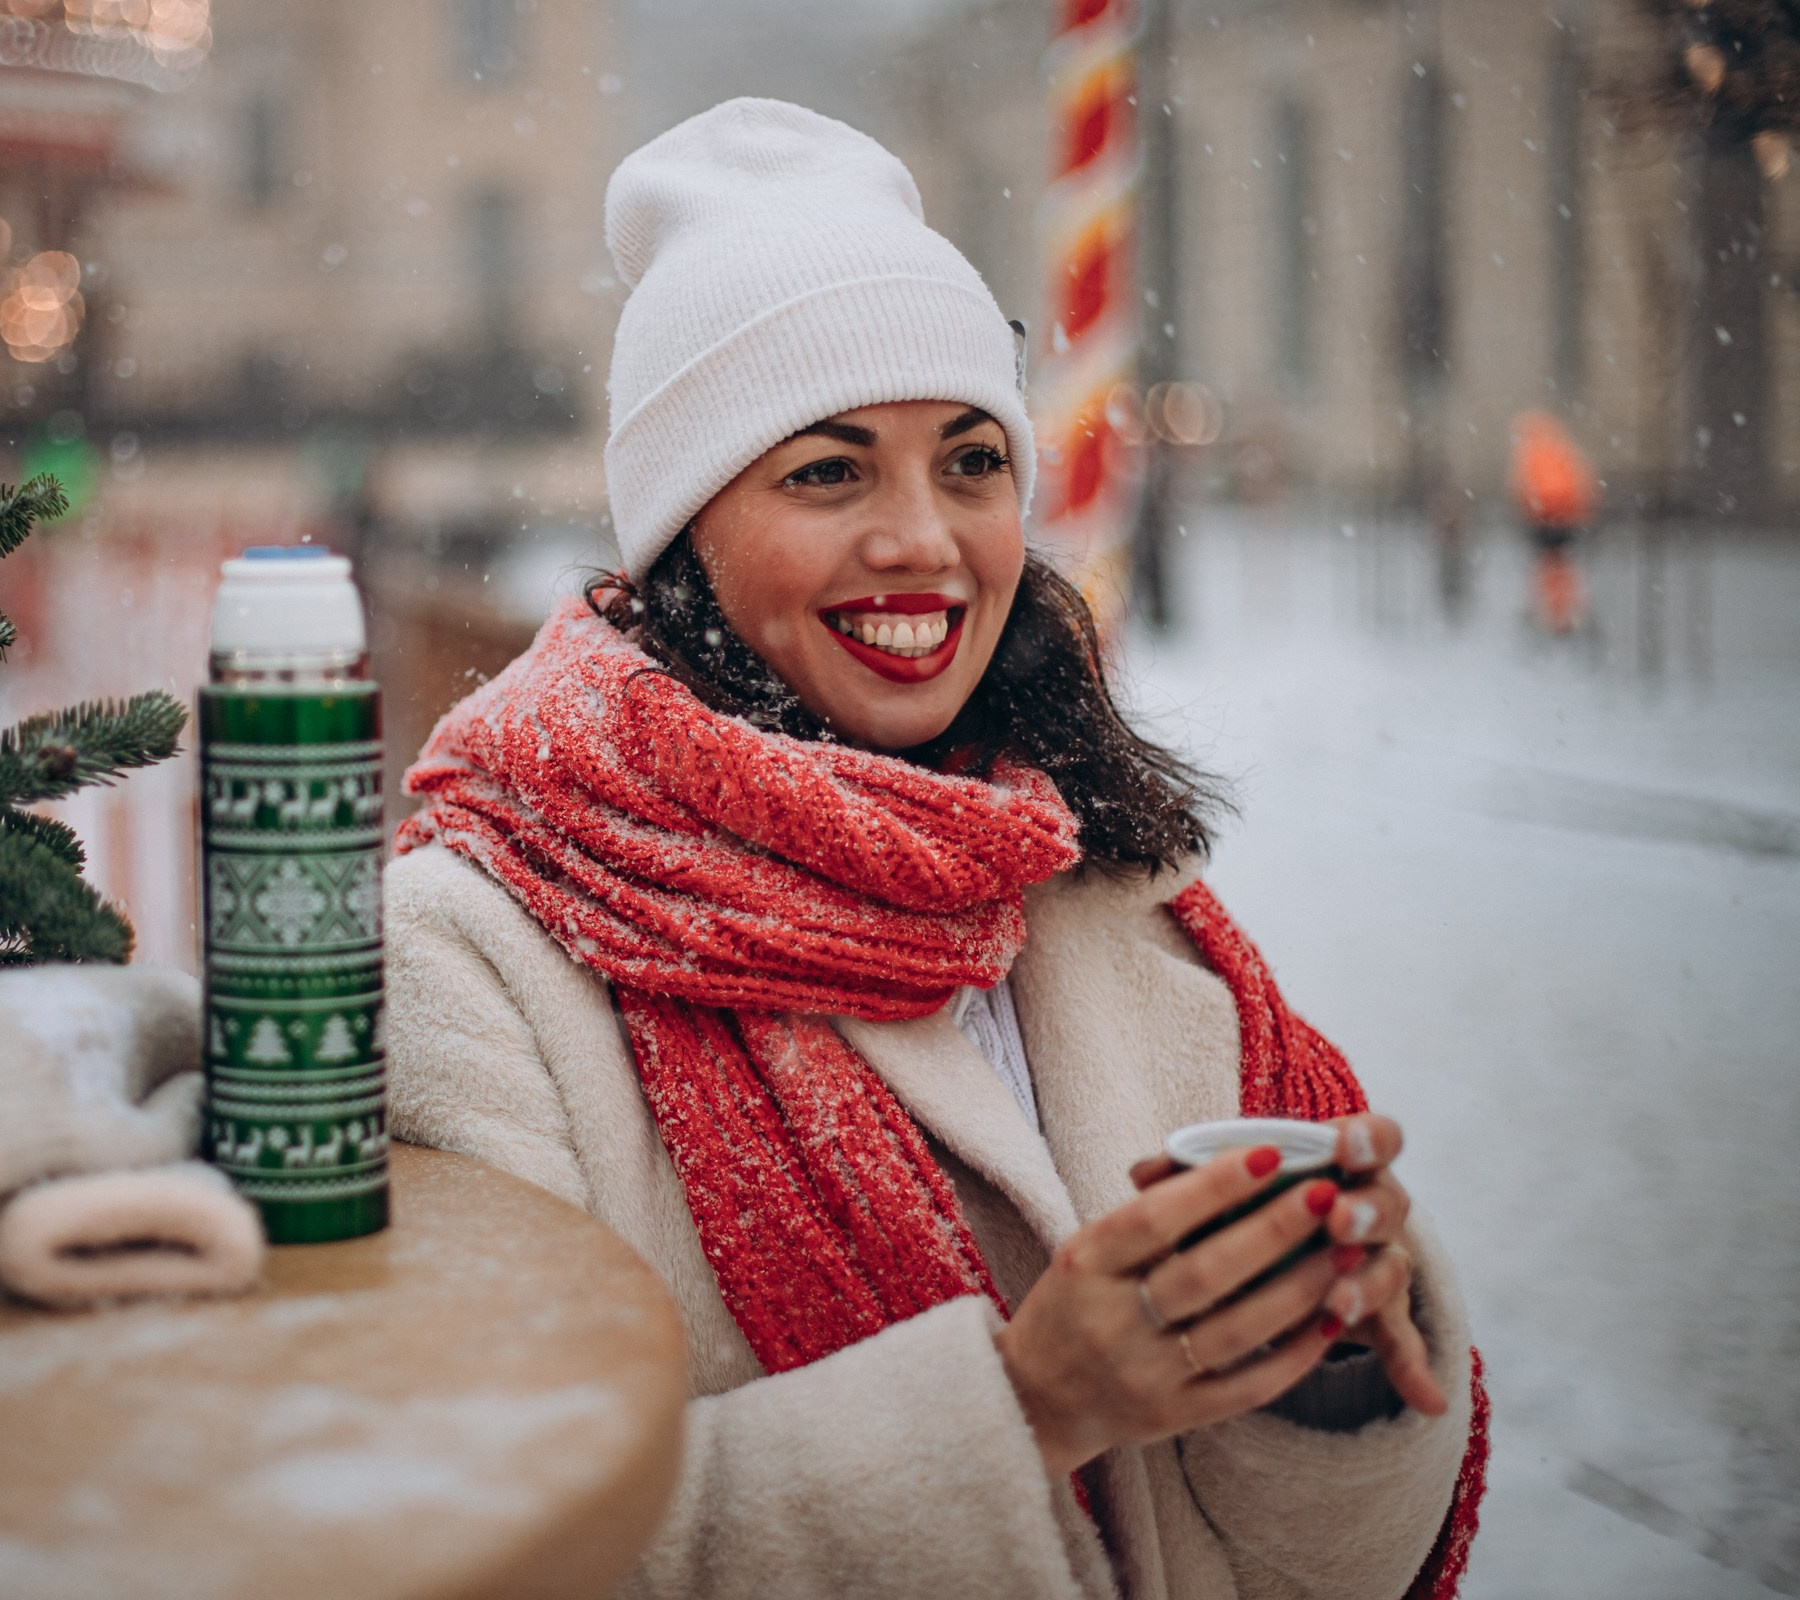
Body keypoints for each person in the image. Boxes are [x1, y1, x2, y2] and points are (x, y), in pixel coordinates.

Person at [385, 99, 1485, 1599]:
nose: (924, 540)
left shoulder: (1101, 884)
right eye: (828, 472)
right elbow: (491, 1545)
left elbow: (1316, 1570)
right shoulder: (470, 954)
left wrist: (1326, 1363)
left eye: (970, 463)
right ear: (684, 533)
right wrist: (1028, 1409)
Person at [1509, 408, 1596, 636]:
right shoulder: (1563, 449)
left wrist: (1528, 509)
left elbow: (1522, 488)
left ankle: (1551, 612)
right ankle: (1566, 611)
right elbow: (1583, 482)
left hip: (1542, 519)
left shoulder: (1530, 453)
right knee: (1564, 566)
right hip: (1567, 518)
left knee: (1547, 566)